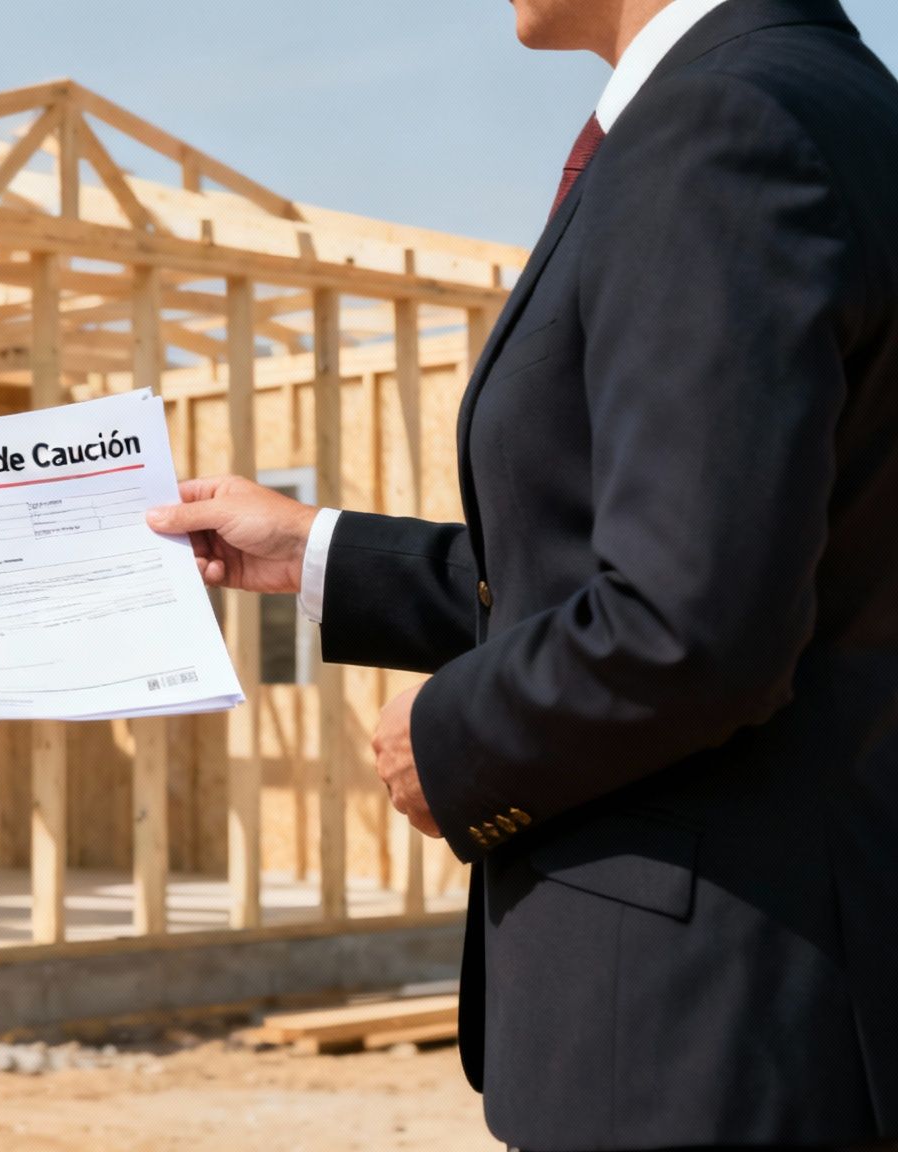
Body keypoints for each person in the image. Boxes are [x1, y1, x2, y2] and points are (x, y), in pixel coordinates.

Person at [147, 0, 898, 1148]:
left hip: (704, 1027)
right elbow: (699, 564)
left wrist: (449, 740)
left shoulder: (717, 124)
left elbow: (689, 623)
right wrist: (319, 552)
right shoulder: (835, 100)